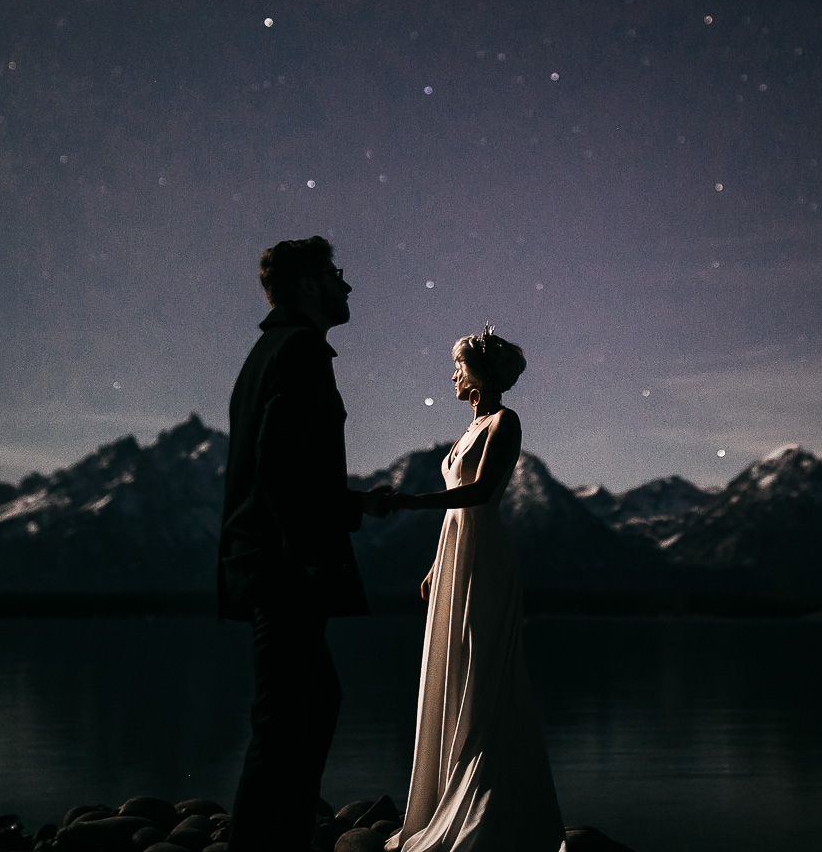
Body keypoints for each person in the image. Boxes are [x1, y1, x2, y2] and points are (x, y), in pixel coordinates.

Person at [218, 236, 396, 852]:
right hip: (284, 567)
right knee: (291, 716)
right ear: (307, 284)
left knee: (303, 707)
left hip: (269, 562)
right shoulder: (300, 350)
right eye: (334, 273)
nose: (346, 285)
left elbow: (287, 464)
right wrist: (311, 555)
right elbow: (278, 467)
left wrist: (353, 504)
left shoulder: (271, 351)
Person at [384, 326, 566, 852]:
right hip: (457, 556)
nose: (453, 376)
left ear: (481, 374)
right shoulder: (470, 428)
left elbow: (481, 494)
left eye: (459, 367)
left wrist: (407, 501)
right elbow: (458, 511)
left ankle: (490, 809)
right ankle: (448, 798)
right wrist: (436, 563)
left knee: (483, 680)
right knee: (455, 670)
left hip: (485, 561)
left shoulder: (505, 422)